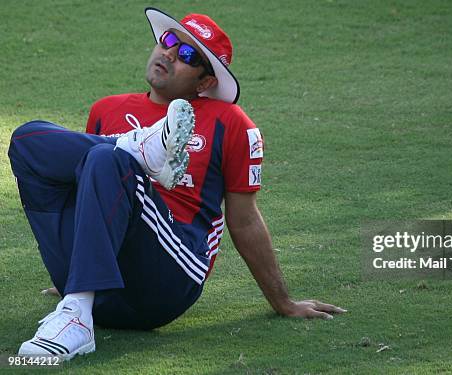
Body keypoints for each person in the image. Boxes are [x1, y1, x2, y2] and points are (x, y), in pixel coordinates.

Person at [8, 7, 345, 361]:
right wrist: (77, 270)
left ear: (205, 83)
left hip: (164, 280)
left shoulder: (230, 122)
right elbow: (88, 199)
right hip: (95, 285)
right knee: (27, 140)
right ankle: (136, 152)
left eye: (187, 55)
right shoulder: (106, 109)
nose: (169, 53)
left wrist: (283, 301)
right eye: (168, 40)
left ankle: (77, 310)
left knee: (106, 160)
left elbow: (245, 219)